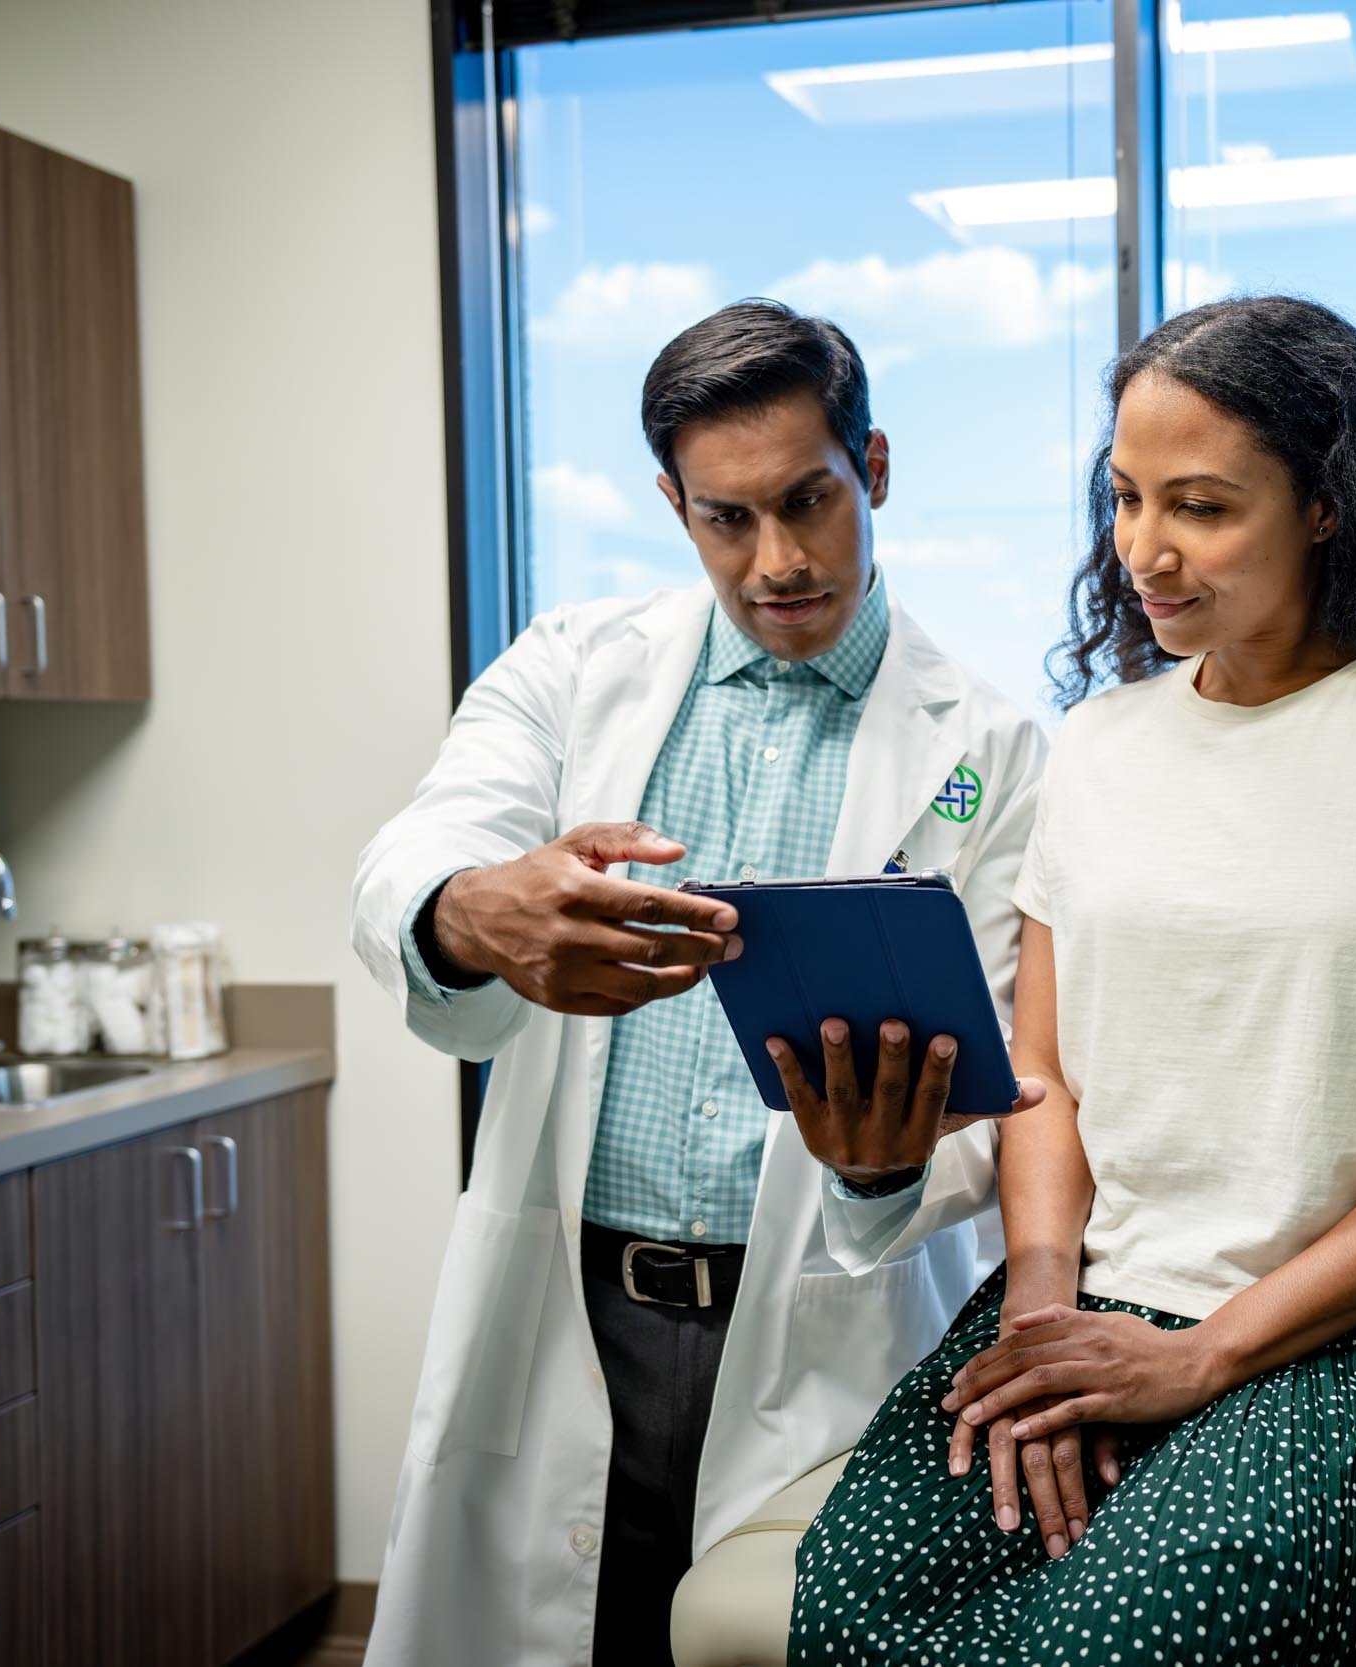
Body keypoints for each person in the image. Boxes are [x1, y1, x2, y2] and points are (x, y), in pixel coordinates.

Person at [789, 295, 1356, 1667]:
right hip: (1100, 1306)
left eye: (1201, 507)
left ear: (1328, 505)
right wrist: (1046, 1307)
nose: (1146, 553)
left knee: (1090, 1648)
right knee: (848, 1612)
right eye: (1125, 500)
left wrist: (1210, 1355)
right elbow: (1048, 1079)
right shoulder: (1102, 749)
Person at [351, 300, 1046, 1666]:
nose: (778, 561)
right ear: (674, 505)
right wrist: (476, 910)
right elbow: (422, 847)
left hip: (817, 1321)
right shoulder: (574, 672)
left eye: (810, 501)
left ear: (877, 469)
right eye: (728, 519)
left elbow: (1014, 1063)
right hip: (580, 1304)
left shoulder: (992, 748)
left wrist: (883, 1165)